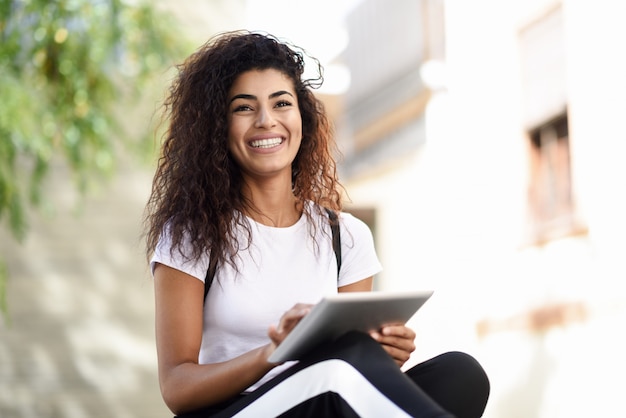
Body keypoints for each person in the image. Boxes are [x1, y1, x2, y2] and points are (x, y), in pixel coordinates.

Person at [144, 30, 490, 417]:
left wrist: (383, 354)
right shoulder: (191, 234)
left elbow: (352, 361)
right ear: (218, 128)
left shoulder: (346, 236)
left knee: (460, 374)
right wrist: (274, 353)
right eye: (243, 107)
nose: (265, 120)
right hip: (239, 411)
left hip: (325, 398)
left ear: (302, 118)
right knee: (341, 362)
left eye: (281, 103)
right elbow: (177, 388)